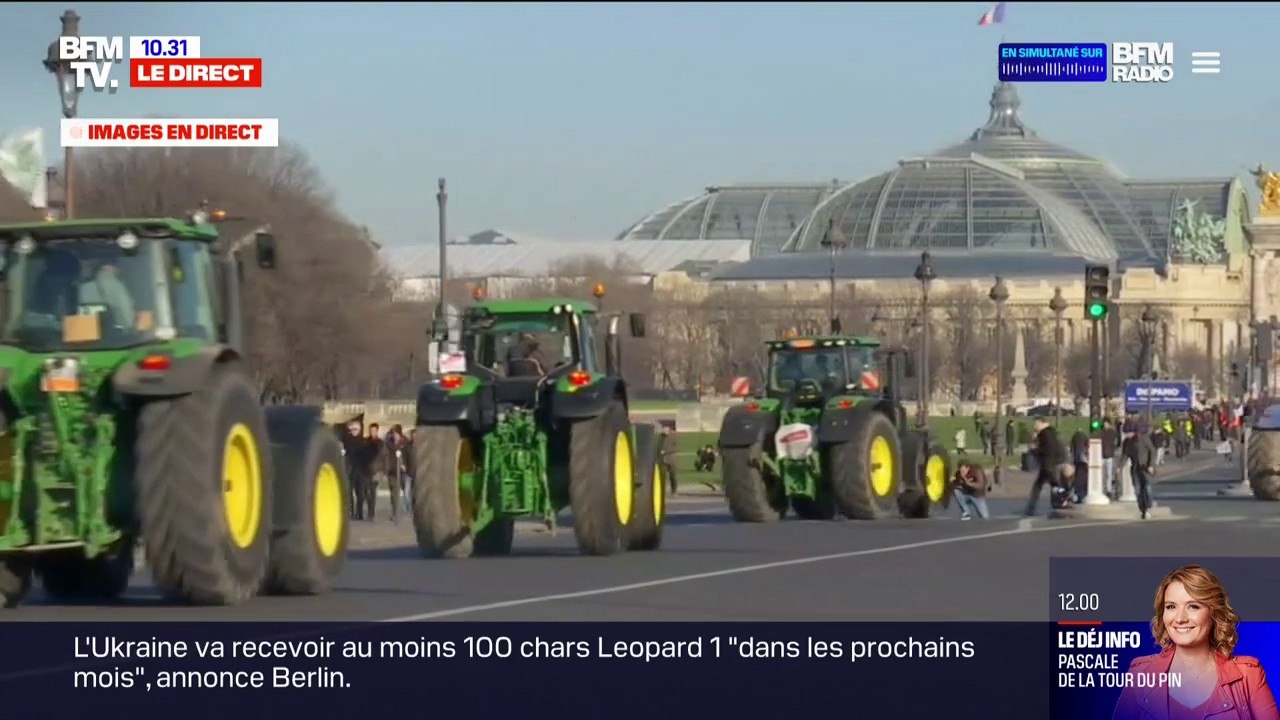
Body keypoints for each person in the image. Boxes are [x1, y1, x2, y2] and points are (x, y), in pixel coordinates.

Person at [1113, 564, 1279, 720]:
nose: (1180, 618)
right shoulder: (1140, 674)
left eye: (1193, 606)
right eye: (1171, 607)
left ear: (1214, 612)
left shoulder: (1248, 675)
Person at [1025, 417, 1068, 516]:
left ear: (1042, 423)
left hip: (1048, 463)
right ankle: (1061, 501)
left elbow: (1047, 449)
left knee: (1042, 485)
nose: (1035, 426)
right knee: (1052, 484)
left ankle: (1031, 508)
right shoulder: (1051, 432)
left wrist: (1034, 450)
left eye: (1036, 423)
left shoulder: (1044, 434)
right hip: (1051, 463)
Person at [1124, 424, 1158, 520]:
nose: (1126, 435)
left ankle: (1148, 508)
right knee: (1138, 490)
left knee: (1147, 488)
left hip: (1146, 468)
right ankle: (1142, 509)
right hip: (1135, 468)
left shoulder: (1144, 439)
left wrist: (1151, 465)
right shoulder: (1127, 442)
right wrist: (1119, 467)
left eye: (1127, 433)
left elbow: (1152, 451)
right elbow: (1125, 454)